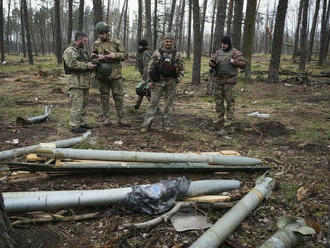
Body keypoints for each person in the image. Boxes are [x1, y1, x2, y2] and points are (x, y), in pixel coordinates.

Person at [141, 33, 184, 132]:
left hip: (171, 82)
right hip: (158, 82)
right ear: (163, 41)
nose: (168, 43)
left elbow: (182, 68)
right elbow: (150, 68)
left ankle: (166, 125)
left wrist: (178, 79)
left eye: (170, 41)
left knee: (168, 105)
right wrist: (149, 81)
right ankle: (146, 125)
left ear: (173, 42)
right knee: (153, 103)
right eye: (166, 41)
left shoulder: (177, 54)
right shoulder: (157, 53)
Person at [92, 21, 128, 126]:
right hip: (102, 75)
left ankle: (121, 118)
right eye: (99, 34)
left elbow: (125, 55)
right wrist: (97, 58)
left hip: (115, 75)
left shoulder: (116, 42)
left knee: (118, 96)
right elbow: (92, 57)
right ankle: (106, 118)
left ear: (107, 32)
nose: (101, 36)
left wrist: (114, 55)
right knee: (104, 97)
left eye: (102, 33)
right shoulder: (96, 44)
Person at [209, 35, 247, 133]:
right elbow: (211, 62)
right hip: (218, 80)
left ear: (229, 44)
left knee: (230, 102)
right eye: (222, 44)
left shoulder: (235, 52)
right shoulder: (218, 52)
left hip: (229, 82)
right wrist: (213, 64)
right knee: (218, 102)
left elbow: (244, 64)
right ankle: (220, 120)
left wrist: (234, 62)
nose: (223, 45)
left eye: (225, 44)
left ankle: (230, 122)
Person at [63, 32, 97, 133]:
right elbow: (72, 64)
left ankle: (82, 122)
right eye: (85, 41)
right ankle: (74, 125)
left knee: (84, 104)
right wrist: (87, 66)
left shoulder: (81, 51)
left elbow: (86, 60)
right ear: (79, 40)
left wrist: (94, 58)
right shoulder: (69, 51)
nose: (86, 43)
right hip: (75, 82)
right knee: (77, 104)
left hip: (84, 82)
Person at [135, 39, 152, 109]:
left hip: (149, 76)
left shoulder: (146, 53)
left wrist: (145, 79)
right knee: (142, 90)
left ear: (143, 46)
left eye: (140, 46)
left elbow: (146, 66)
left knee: (147, 91)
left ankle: (156, 108)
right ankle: (137, 105)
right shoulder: (145, 52)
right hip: (146, 76)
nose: (138, 47)